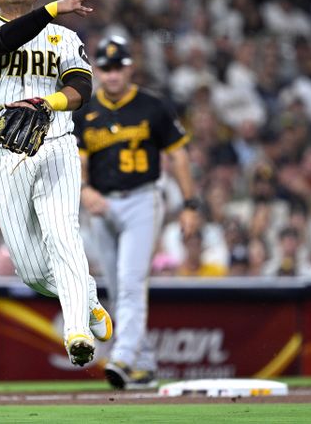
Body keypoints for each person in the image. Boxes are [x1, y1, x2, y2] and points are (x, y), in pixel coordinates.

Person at [0, 0, 111, 367]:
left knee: (63, 236)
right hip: (4, 155)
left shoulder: (63, 37)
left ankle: (77, 331)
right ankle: (89, 297)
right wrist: (51, 10)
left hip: (56, 145)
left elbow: (82, 90)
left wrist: (48, 101)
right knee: (29, 269)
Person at [75, 35, 199, 389]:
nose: (113, 75)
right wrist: (85, 191)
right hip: (102, 204)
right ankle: (143, 364)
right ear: (97, 70)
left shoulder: (152, 106)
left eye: (119, 67)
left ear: (130, 68)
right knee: (115, 288)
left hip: (143, 198)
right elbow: (79, 161)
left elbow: (178, 156)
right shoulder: (87, 111)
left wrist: (190, 204)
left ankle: (123, 357)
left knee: (130, 282)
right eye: (107, 68)